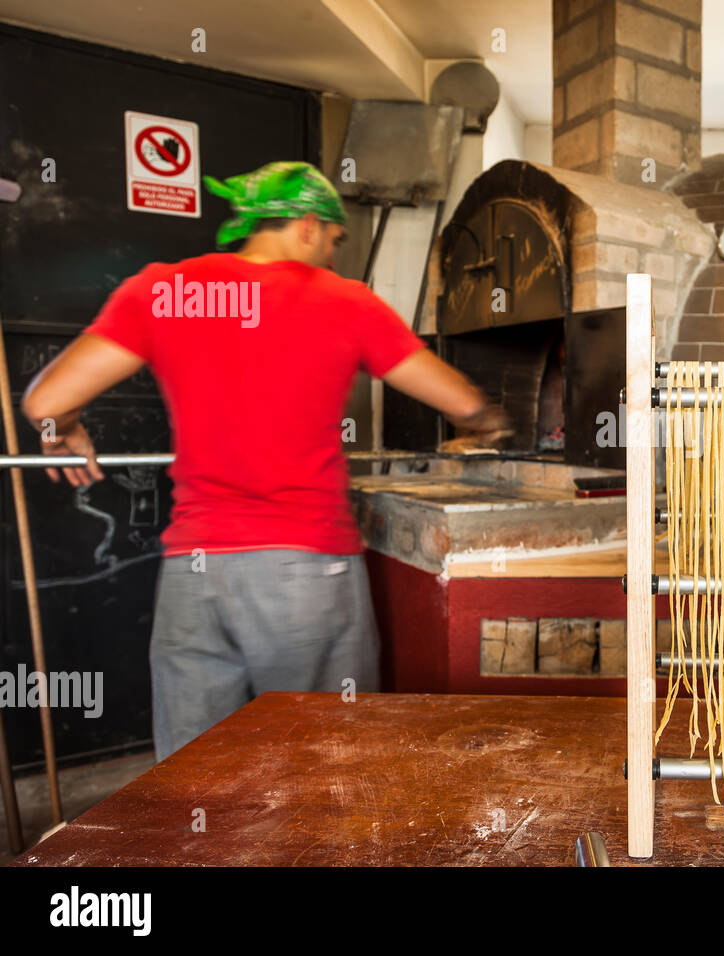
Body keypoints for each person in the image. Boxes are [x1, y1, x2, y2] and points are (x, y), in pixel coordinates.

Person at [21, 161, 505, 759]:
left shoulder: (166, 290)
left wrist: (61, 433)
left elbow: (47, 401)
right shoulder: (345, 302)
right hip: (305, 569)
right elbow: (459, 401)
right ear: (306, 225)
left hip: (194, 575)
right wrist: (490, 421)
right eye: (332, 240)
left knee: (196, 770)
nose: (332, 255)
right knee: (324, 763)